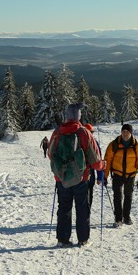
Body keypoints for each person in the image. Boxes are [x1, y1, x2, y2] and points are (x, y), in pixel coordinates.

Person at [48, 103, 106, 248]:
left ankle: (62, 239)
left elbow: (50, 154)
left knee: (64, 208)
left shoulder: (57, 132)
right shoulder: (83, 132)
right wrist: (102, 166)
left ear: (67, 116)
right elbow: (94, 158)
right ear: (78, 116)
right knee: (82, 208)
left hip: (61, 178)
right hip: (81, 178)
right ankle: (83, 239)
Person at [104, 123, 138, 227]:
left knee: (128, 196)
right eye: (123, 131)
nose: (125, 133)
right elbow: (107, 160)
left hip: (130, 175)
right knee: (117, 196)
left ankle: (126, 217)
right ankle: (118, 218)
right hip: (117, 174)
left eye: (127, 132)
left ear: (131, 133)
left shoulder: (137, 146)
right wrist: (104, 176)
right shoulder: (114, 144)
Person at [84, 123, 102, 214]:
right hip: (87, 172)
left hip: (83, 173)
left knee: (87, 194)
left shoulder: (77, 140)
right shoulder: (94, 143)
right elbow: (99, 161)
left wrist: (100, 176)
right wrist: (100, 176)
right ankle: (85, 214)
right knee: (87, 194)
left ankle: (85, 213)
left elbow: (99, 160)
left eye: (91, 132)